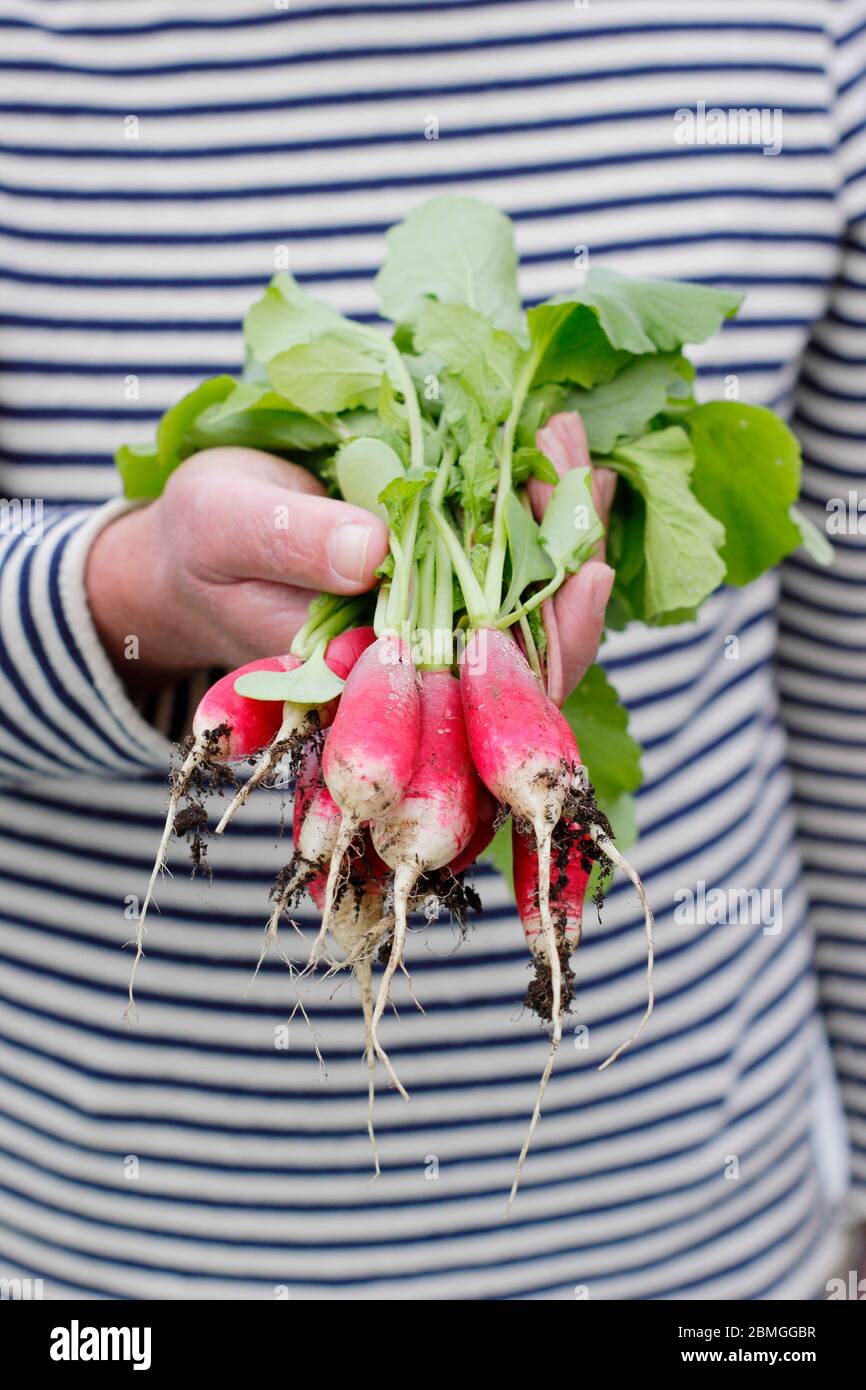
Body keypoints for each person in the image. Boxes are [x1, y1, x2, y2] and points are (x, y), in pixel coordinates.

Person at [0, 0, 863, 1300]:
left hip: (703, 1261)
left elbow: (851, 702)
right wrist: (136, 593)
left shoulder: (800, 32)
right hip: (116, 1277)